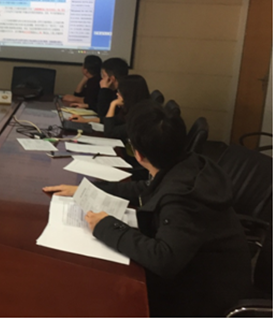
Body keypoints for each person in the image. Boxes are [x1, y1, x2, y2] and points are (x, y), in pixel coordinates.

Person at [43, 101, 252, 317]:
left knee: (99, 292)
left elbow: (164, 259)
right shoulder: (186, 163)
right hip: (199, 271)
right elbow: (145, 188)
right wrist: (88, 190)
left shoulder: (182, 198)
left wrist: (107, 226)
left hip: (204, 294)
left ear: (139, 155)